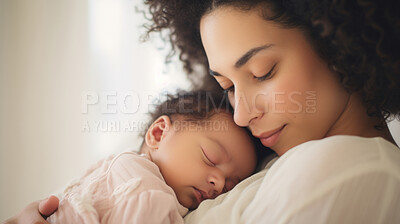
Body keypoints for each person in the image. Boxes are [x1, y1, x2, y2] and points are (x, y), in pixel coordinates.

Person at [6, 0, 400, 223]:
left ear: (338, 45)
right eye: (227, 86)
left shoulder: (354, 169)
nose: (242, 115)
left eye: (263, 72)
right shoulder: (265, 160)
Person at [3, 91, 259, 224]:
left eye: (231, 185)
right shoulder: (145, 185)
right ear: (158, 133)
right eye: (211, 158)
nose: (218, 182)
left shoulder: (116, 167)